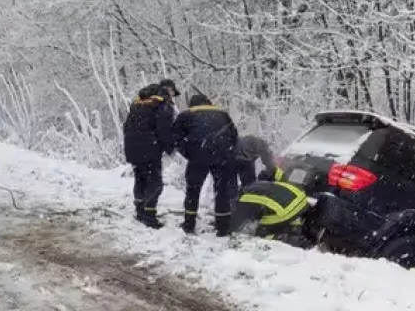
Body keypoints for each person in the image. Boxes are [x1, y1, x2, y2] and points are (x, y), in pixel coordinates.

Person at [172, 93, 238, 236]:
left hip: (198, 156)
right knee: (222, 191)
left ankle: (189, 224)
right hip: (222, 156)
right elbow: (234, 135)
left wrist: (188, 153)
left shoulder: (186, 115)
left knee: (193, 190)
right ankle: (223, 227)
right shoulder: (222, 114)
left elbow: (176, 137)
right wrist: (227, 151)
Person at [122, 81, 177, 228]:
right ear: (168, 90)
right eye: (173, 93)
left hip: (132, 146)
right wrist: (170, 148)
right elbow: (164, 130)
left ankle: (140, 211)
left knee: (140, 178)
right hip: (150, 147)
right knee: (155, 182)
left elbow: (126, 126)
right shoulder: (162, 105)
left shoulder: (138, 103)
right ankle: (149, 216)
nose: (173, 96)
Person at [228, 175, 315, 247]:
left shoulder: (241, 204)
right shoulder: (252, 187)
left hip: (284, 210)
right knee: (269, 213)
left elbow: (234, 227)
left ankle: (283, 237)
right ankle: (295, 224)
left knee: (261, 232)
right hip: (300, 198)